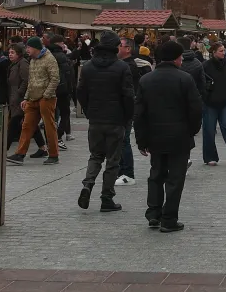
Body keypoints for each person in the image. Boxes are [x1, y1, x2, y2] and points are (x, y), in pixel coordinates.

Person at [132, 39, 202, 231]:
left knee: (156, 175)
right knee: (175, 178)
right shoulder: (185, 79)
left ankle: (153, 213)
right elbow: (195, 109)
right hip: (179, 136)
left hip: (155, 136)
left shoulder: (146, 80)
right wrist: (192, 131)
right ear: (177, 59)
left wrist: (141, 140)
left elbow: (139, 114)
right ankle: (169, 219)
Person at [76, 31, 136, 212]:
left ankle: (88, 184)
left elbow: (80, 92)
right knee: (113, 160)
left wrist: (88, 111)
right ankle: (106, 197)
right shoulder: (122, 67)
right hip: (115, 119)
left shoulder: (87, 67)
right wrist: (128, 117)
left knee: (95, 155)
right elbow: (128, 96)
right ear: (115, 46)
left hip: (95, 119)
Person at [8, 36, 59, 165]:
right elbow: (31, 81)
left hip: (46, 98)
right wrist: (26, 97)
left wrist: (46, 95)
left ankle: (53, 155)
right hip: (32, 98)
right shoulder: (32, 60)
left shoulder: (49, 59)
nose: (27, 50)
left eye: (29, 47)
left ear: (36, 48)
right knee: (26, 125)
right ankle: (20, 154)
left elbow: (55, 79)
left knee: (49, 126)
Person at [114, 36, 149, 185]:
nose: (117, 48)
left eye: (119, 46)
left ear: (127, 49)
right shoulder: (121, 64)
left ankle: (127, 173)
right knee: (120, 140)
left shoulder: (129, 66)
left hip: (126, 107)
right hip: (120, 106)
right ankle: (121, 171)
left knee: (124, 140)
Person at [50, 36, 77, 149]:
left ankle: (50, 139)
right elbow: (68, 74)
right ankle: (58, 136)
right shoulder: (62, 57)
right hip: (62, 90)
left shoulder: (47, 55)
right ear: (59, 44)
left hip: (49, 89)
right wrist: (71, 89)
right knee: (65, 113)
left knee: (50, 115)